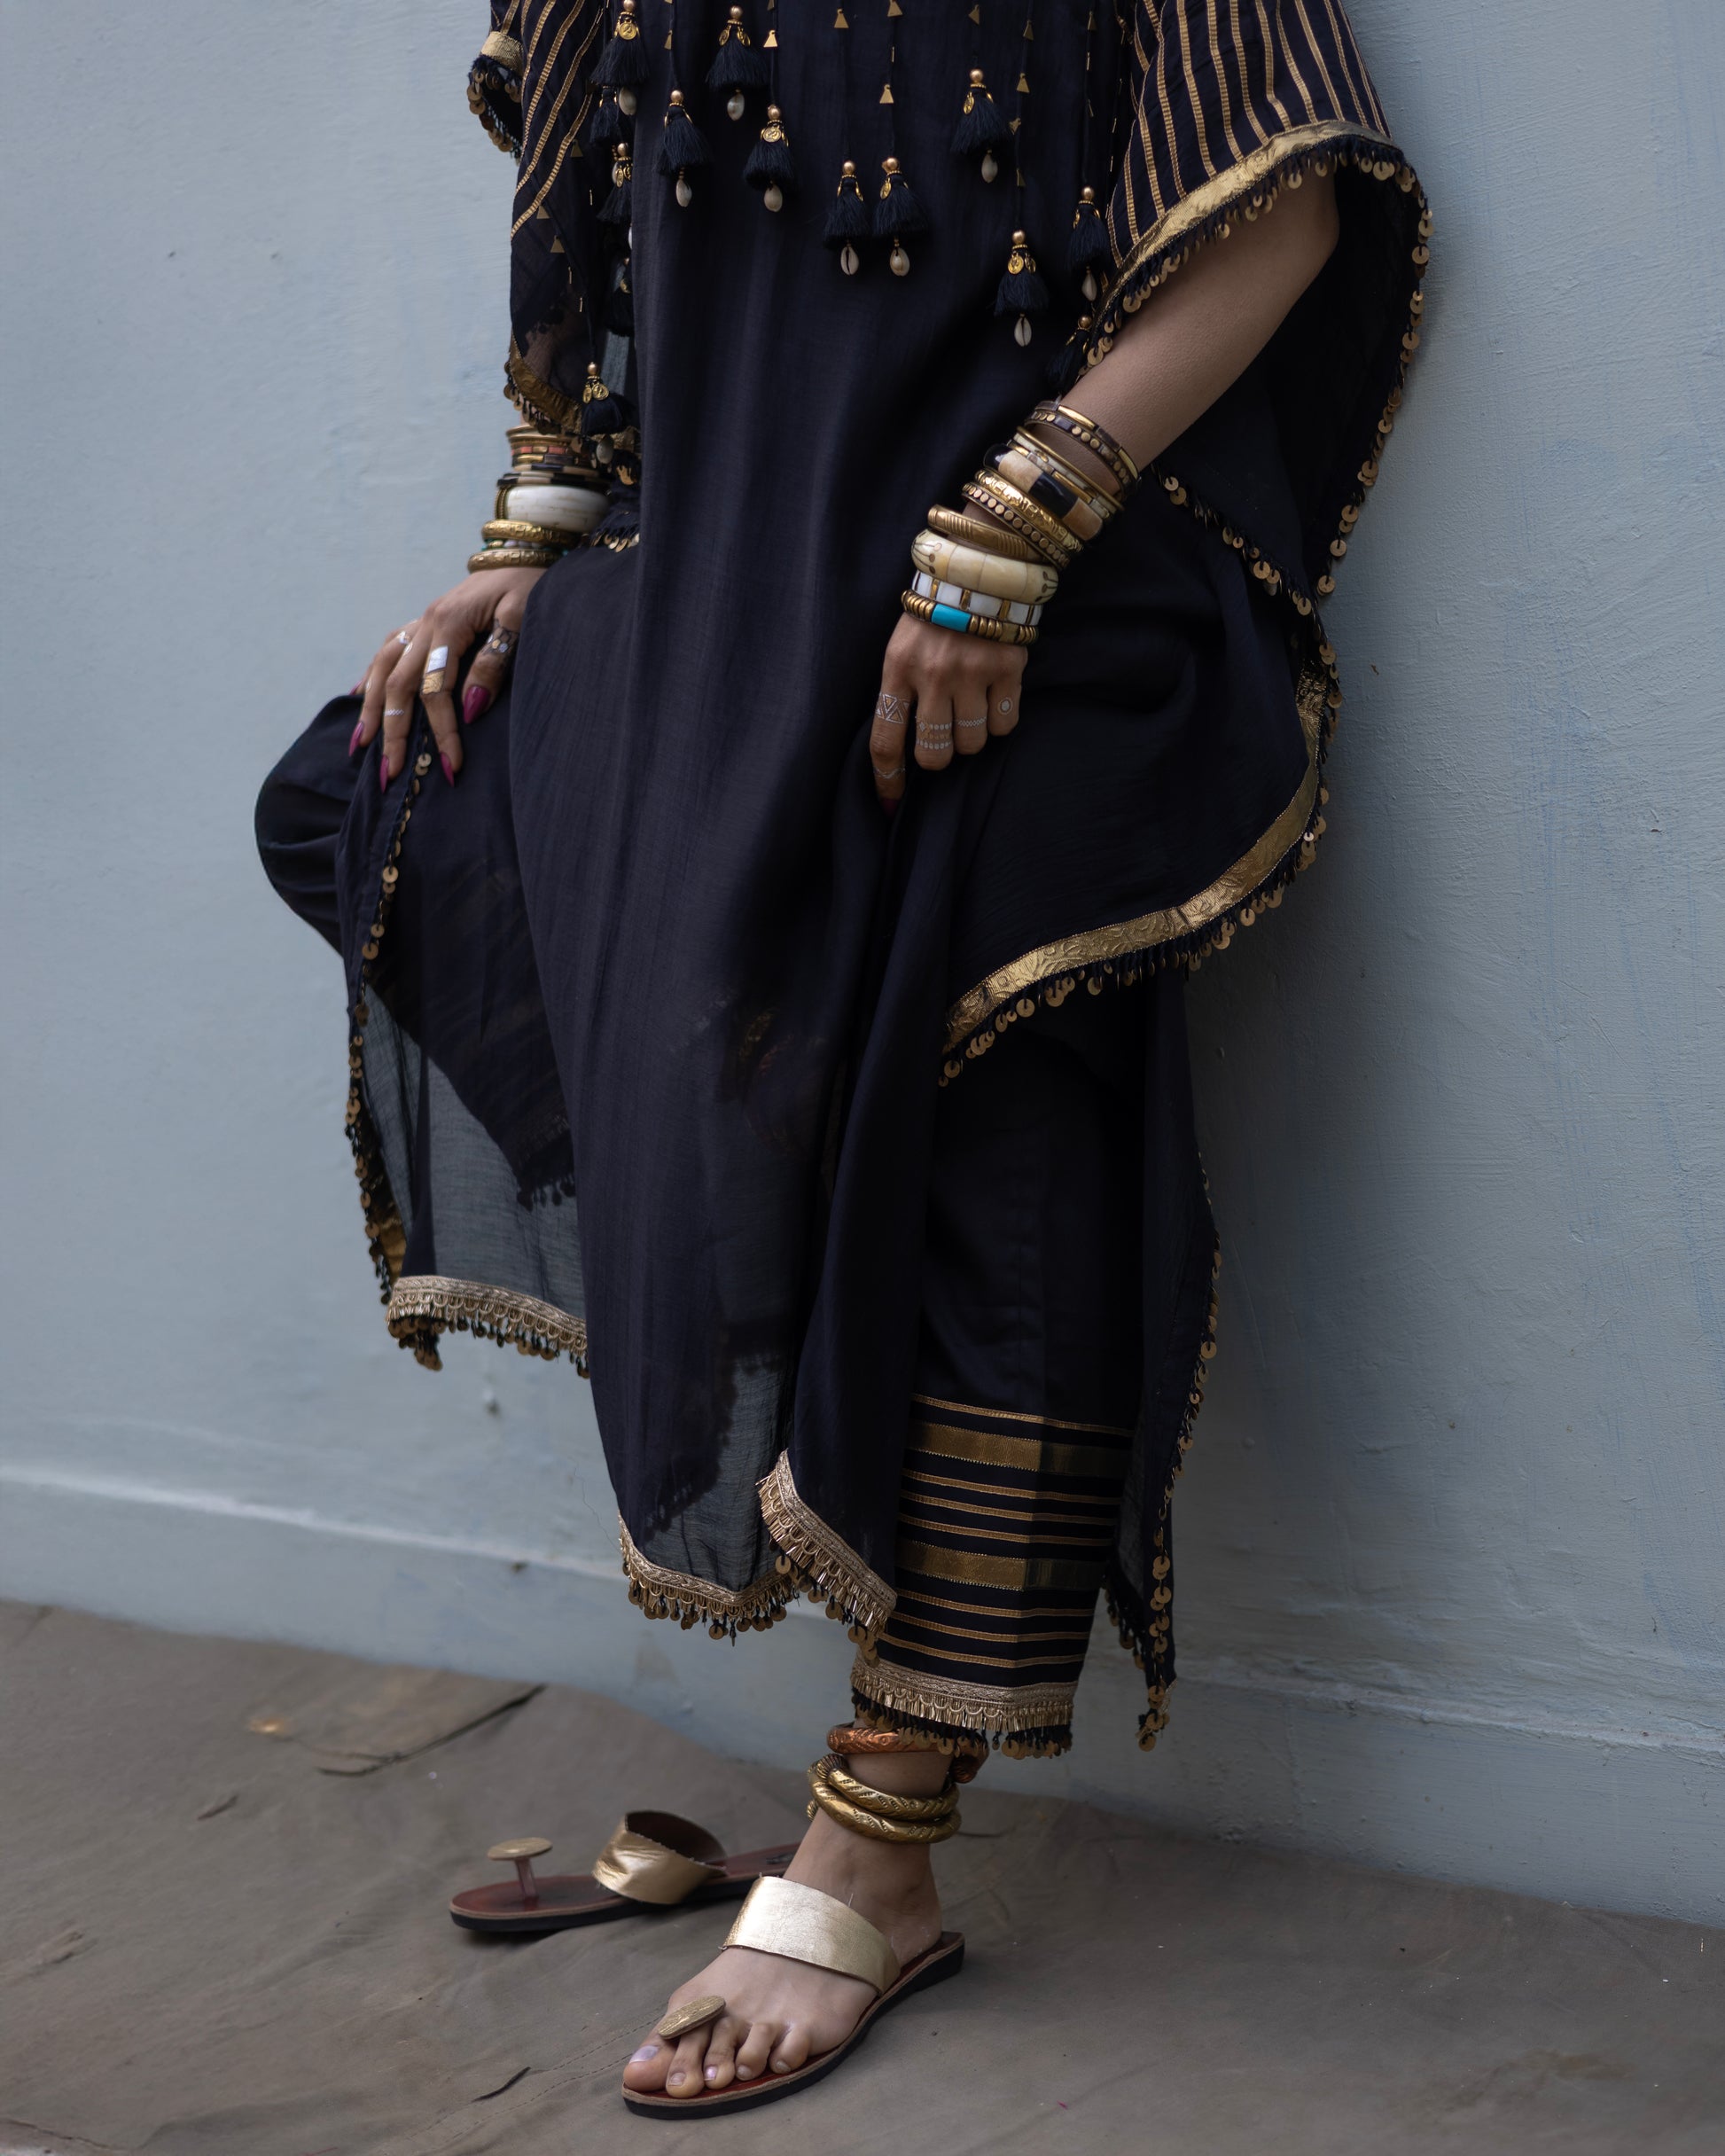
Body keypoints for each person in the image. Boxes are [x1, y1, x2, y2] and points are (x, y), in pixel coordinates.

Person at [256, 0, 1426, 2113]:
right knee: (382, 801)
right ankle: (771, 1242)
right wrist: (526, 545)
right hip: (720, 598)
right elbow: (594, 264)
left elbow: (1283, 213)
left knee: (994, 1131)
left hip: (1024, 601)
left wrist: (1009, 539)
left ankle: (879, 1838)